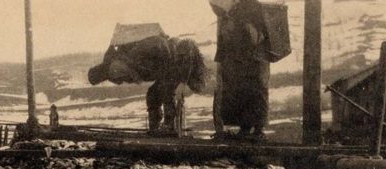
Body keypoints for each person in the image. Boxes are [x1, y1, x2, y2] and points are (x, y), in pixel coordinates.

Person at [88, 34, 208, 133]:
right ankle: (155, 128)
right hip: (167, 63)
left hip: (175, 60)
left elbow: (160, 44)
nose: (121, 81)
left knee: (166, 90)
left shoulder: (138, 54)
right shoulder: (125, 64)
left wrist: (176, 77)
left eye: (119, 77)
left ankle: (169, 127)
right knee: (153, 94)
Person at [213, 0, 272, 141]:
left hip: (255, 60)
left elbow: (255, 37)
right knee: (243, 93)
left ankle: (258, 130)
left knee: (257, 94)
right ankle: (245, 129)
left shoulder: (250, 10)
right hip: (242, 62)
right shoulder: (231, 15)